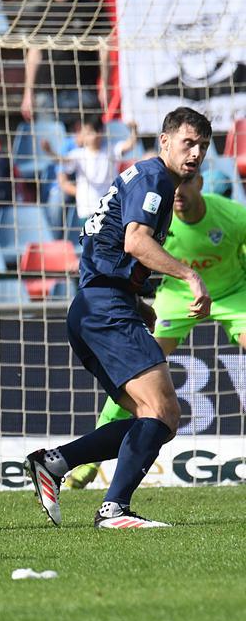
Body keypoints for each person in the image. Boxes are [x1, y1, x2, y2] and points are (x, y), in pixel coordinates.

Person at [24, 106, 213, 529]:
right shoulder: (155, 179)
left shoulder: (143, 176)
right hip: (104, 308)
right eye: (188, 142)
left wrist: (135, 300)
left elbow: (103, 244)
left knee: (149, 416)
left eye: (202, 145)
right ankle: (114, 510)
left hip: (94, 305)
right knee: (163, 412)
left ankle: (55, 464)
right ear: (164, 141)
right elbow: (135, 241)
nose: (196, 152)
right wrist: (189, 274)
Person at [66, 172, 246, 488]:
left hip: (231, 294)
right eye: (174, 186)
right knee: (137, 368)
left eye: (186, 183)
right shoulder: (157, 219)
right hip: (176, 297)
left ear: (200, 184)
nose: (178, 191)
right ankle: (90, 460)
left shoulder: (232, 215)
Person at [20, 0, 111, 126]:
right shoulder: (41, 10)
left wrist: (106, 87)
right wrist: (28, 93)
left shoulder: (91, 6)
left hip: (83, 92)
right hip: (47, 94)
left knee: (84, 146)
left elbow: (104, 50)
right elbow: (34, 53)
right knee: (49, 143)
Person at [42, 117, 139, 221]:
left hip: (109, 208)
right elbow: (62, 160)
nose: (93, 136)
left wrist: (134, 131)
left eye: (95, 131)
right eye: (88, 132)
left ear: (101, 132)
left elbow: (129, 145)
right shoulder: (78, 155)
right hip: (87, 209)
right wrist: (50, 152)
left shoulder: (111, 150)